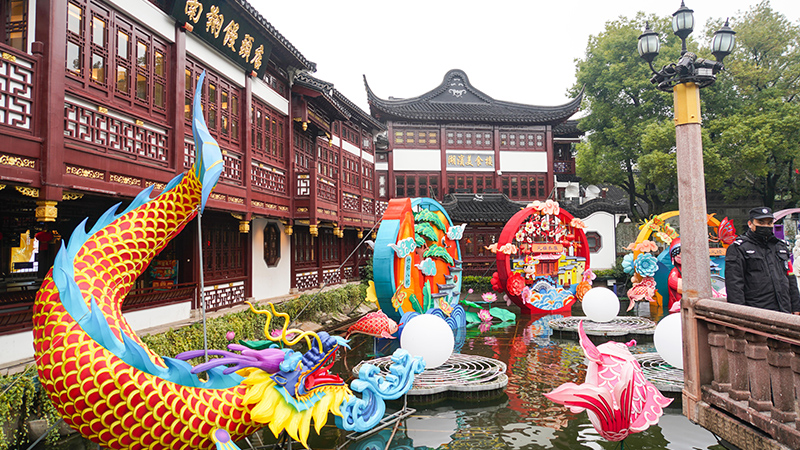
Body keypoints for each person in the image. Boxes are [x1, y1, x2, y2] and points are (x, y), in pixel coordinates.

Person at [725, 207, 800, 314]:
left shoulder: (780, 247)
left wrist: (796, 307)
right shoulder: (739, 248)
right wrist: (739, 314)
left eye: (769, 223)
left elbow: (790, 277)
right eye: (760, 222)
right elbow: (734, 284)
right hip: (756, 311)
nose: (765, 226)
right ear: (750, 224)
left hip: (784, 310)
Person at [667, 238, 682, 312]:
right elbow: (673, 282)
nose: (680, 255)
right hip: (676, 305)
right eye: (677, 252)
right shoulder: (674, 272)